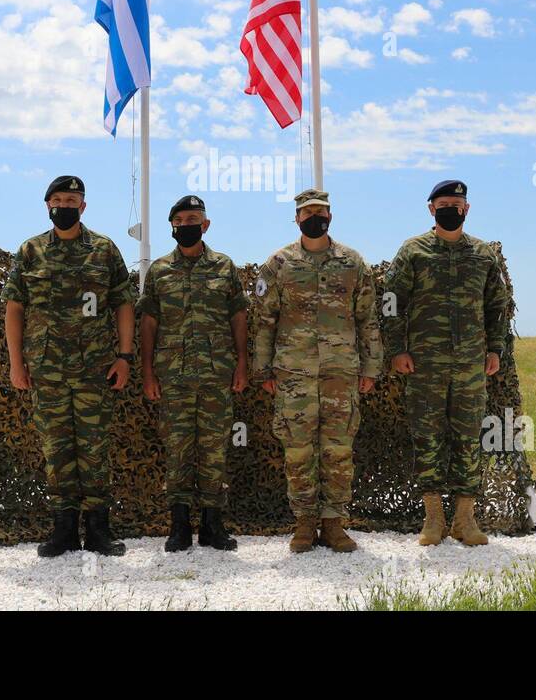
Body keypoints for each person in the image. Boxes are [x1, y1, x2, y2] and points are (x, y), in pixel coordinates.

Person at [3, 175, 135, 556]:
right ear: (48, 206)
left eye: (72, 199)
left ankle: (98, 530)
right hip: (47, 371)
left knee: (94, 448)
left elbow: (123, 303)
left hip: (96, 369)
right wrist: (17, 363)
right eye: (58, 199)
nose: (64, 205)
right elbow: (15, 308)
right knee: (56, 450)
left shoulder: (104, 250)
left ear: (83, 206)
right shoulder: (30, 251)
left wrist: (124, 357)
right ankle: (62, 530)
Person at [252, 188, 382, 553]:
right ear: (296, 218)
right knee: (297, 450)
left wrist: (371, 367)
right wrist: (263, 372)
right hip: (294, 376)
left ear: (331, 217)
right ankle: (305, 524)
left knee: (338, 448)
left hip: (341, 374)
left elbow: (367, 319)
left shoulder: (352, 263)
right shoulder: (278, 265)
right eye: (307, 213)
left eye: (321, 212)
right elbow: (265, 321)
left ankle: (334, 523)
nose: (314, 218)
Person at [383, 180, 507, 546]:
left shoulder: (483, 255)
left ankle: (465, 520)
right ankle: (433, 518)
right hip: (424, 364)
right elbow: (391, 301)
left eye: (457, 203)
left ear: (467, 208)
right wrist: (397, 350)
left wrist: (496, 349)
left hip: (471, 365)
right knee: (428, 437)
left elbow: (497, 305)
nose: (451, 208)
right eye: (444, 203)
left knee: (469, 438)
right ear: (431, 209)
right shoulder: (413, 251)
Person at [139, 195, 248, 552]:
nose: (186, 225)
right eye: (180, 220)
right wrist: (148, 371)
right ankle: (180, 526)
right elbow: (149, 322)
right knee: (178, 450)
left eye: (194, 219)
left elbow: (238, 316)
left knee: (215, 449)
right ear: (172, 226)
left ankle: (213, 527)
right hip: (173, 376)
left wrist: (242, 362)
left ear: (206, 225)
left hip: (217, 373)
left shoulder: (223, 266)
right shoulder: (158, 271)